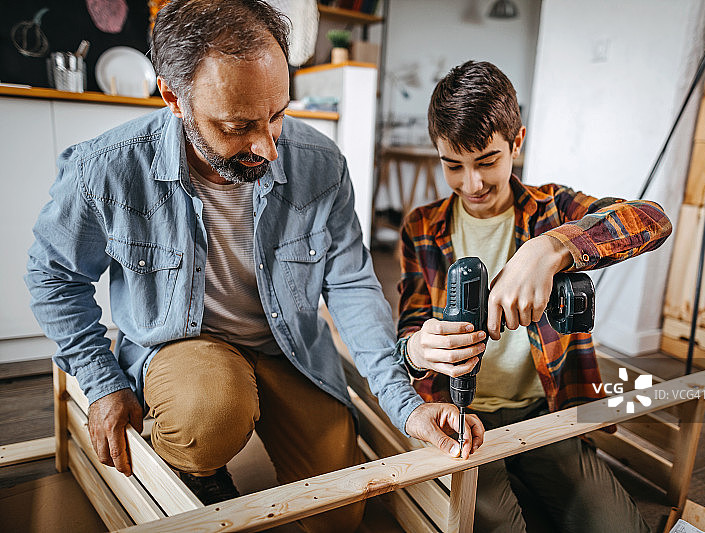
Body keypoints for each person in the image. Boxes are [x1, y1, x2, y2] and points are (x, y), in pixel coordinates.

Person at [25, 2, 482, 531]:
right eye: (238, 125)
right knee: (209, 417)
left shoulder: (321, 164)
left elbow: (353, 284)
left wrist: (406, 405)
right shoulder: (106, 169)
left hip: (289, 351)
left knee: (338, 516)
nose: (267, 146)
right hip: (185, 347)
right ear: (174, 98)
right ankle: (201, 468)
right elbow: (53, 275)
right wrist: (103, 382)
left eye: (278, 114)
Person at [396, 60, 672, 533]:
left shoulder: (553, 209)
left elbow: (652, 219)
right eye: (452, 165)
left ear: (517, 142)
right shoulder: (422, 226)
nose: (472, 184)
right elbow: (408, 329)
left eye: (487, 161)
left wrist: (553, 248)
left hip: (548, 408)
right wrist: (419, 350)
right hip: (460, 416)